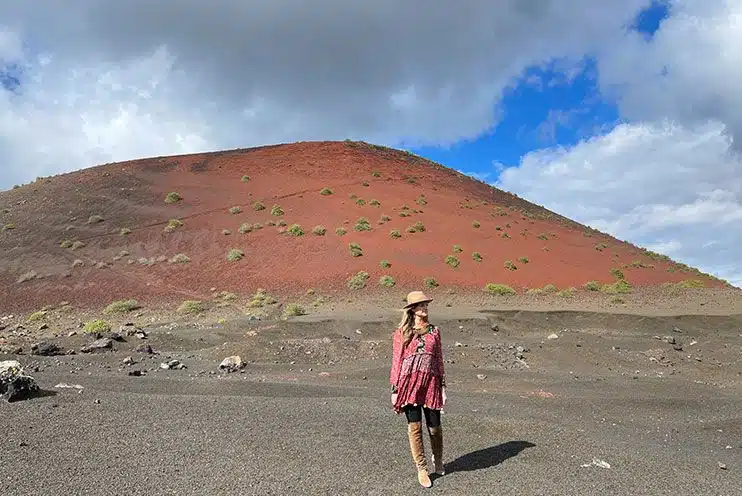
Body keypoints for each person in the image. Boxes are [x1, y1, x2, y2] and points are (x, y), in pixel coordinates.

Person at [389, 290, 447, 488]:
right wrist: (395, 389)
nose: (425, 308)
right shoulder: (402, 333)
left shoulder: (435, 331)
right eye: (421, 305)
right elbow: (396, 361)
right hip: (409, 385)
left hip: (430, 383)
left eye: (426, 305)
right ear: (412, 310)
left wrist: (443, 386)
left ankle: (437, 459)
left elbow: (439, 359)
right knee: (415, 427)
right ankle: (421, 468)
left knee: (435, 427)